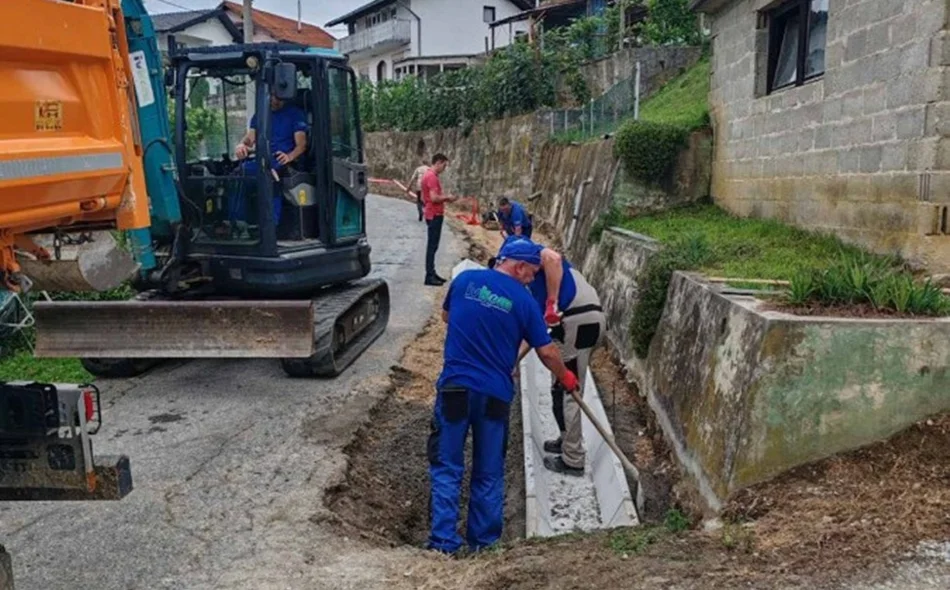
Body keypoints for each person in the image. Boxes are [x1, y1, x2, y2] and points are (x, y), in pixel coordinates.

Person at [428, 238, 580, 555]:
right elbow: (547, 351)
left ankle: (442, 543)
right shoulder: (524, 303)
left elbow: (446, 317)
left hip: (455, 387)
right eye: (532, 273)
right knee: (488, 470)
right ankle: (483, 545)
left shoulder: (466, 280)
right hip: (494, 396)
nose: (532, 279)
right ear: (519, 265)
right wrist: (565, 377)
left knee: (447, 465)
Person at [490, 236, 606, 477]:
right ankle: (567, 442)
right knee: (559, 387)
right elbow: (535, 335)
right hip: (579, 323)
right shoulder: (534, 287)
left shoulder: (538, 256)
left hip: (578, 321)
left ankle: (573, 459)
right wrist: (513, 362)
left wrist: (552, 303)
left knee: (569, 390)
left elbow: (553, 257)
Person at [228, 90, 308, 232]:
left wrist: (289, 156)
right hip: (264, 157)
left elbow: (301, 145)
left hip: (283, 159)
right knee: (237, 173)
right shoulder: (260, 115)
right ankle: (238, 222)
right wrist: (242, 145)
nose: (275, 100)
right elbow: (249, 139)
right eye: (272, 96)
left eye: (278, 97)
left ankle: (271, 226)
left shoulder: (295, 114)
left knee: (270, 175)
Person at [421, 153, 457, 286]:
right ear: (439, 162)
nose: (444, 168)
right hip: (434, 214)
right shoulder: (432, 177)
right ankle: (429, 275)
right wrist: (447, 197)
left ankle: (432, 272)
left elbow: (424, 197)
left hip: (431, 213)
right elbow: (434, 198)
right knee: (432, 246)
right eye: (444, 165)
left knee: (433, 245)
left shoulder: (428, 175)